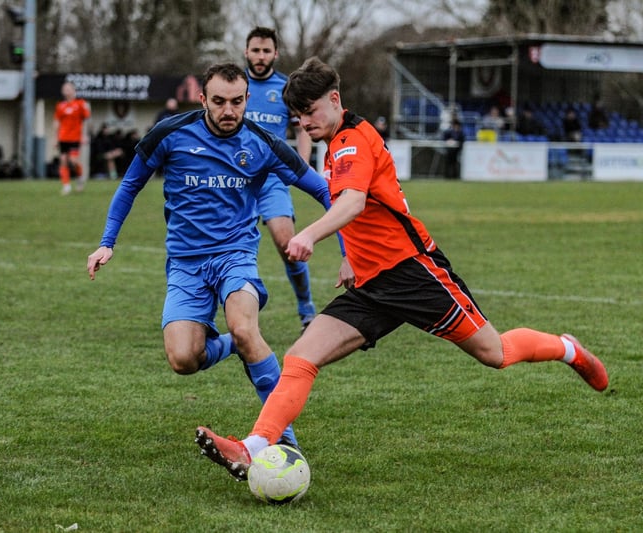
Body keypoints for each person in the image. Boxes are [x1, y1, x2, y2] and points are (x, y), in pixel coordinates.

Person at [195, 57, 609, 482]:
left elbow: (353, 203)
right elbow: (368, 209)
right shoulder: (334, 145)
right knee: (302, 355)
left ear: (334, 100)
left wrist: (308, 236)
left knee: (495, 353)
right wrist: (350, 255)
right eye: (297, 116)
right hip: (372, 284)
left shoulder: (354, 139)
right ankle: (253, 446)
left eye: (310, 111)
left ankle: (567, 348)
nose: (303, 122)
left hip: (414, 275)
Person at [86, 63, 349, 449]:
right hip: (185, 263)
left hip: (235, 256)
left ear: (247, 99)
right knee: (183, 360)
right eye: (220, 102)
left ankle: (283, 440)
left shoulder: (263, 143)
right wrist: (107, 241)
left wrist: (348, 252)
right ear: (203, 99)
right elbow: (130, 185)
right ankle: (232, 345)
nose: (230, 111)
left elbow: (327, 192)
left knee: (246, 327)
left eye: (238, 102)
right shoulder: (171, 134)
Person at [244, 26, 317, 331]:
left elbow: (301, 129)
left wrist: (301, 165)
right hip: (236, 180)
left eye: (266, 51)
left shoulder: (286, 88)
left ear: (275, 53)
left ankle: (307, 309)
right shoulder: (234, 86)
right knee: (228, 247)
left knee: (289, 245)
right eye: (255, 50)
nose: (260, 56)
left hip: (272, 177)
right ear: (246, 52)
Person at [53, 81, 91, 195]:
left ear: (74, 90)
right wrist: (55, 138)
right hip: (63, 138)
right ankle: (66, 186)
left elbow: (87, 120)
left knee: (73, 161)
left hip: (75, 138)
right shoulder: (60, 105)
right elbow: (56, 122)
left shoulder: (80, 104)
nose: (66, 91)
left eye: (69, 89)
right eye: (65, 89)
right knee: (63, 161)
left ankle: (80, 178)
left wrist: (85, 135)